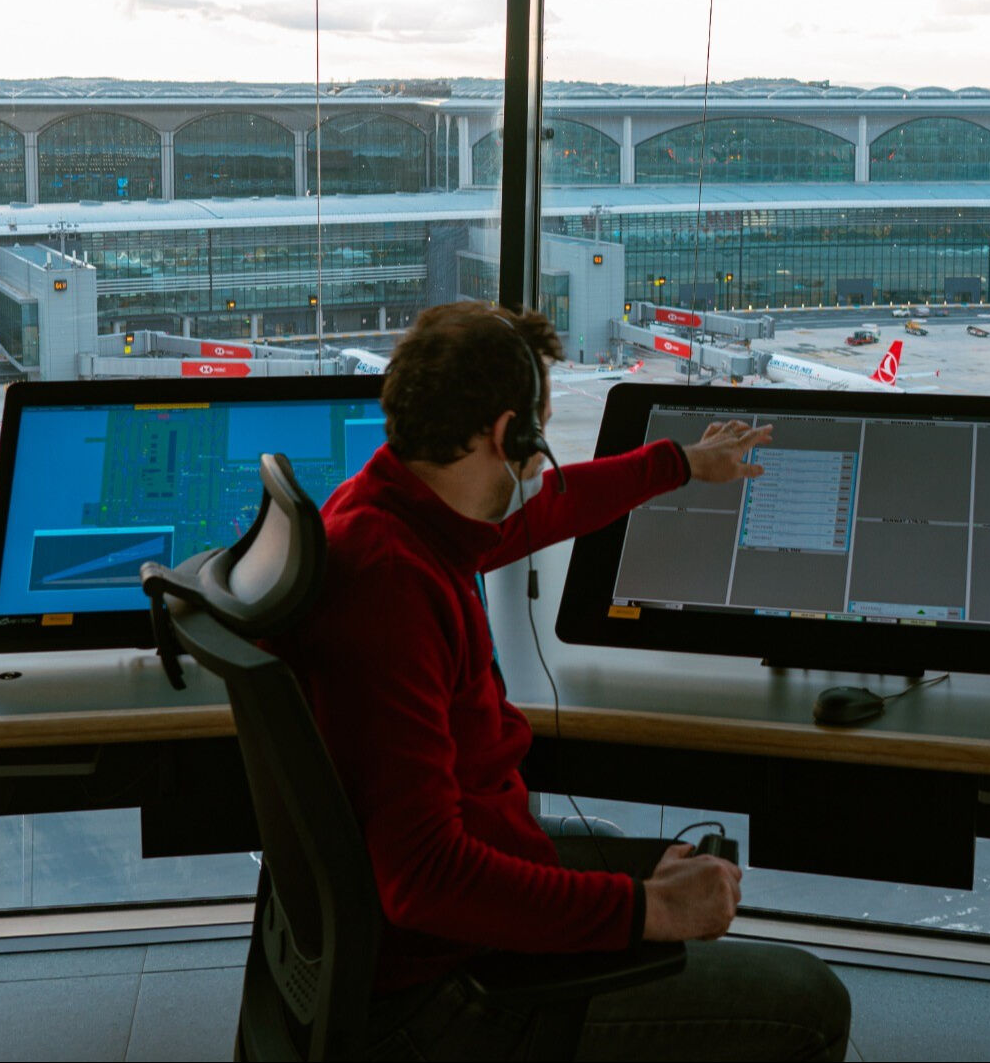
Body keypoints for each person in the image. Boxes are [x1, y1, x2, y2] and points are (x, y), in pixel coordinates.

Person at [290, 302, 852, 1062]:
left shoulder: (386, 508)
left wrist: (681, 462)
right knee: (810, 1001)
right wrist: (644, 910)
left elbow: (535, 517)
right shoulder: (393, 589)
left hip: (403, 932)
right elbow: (426, 878)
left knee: (615, 844)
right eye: (535, 444)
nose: (537, 467)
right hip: (444, 994)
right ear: (506, 433)